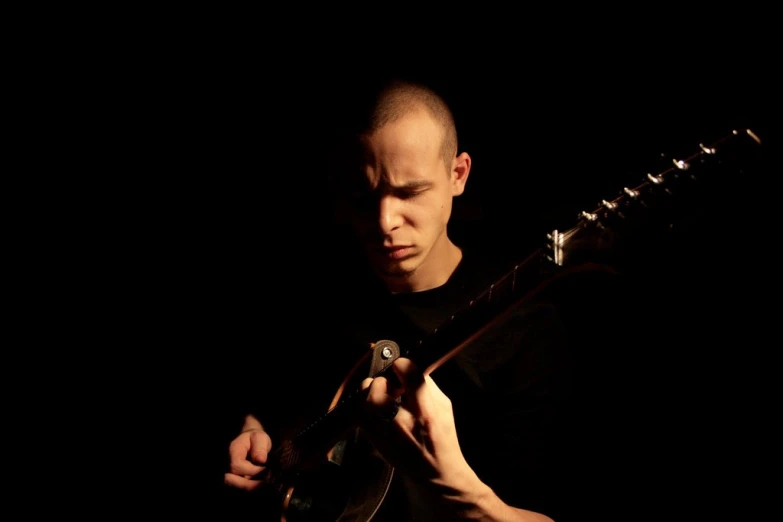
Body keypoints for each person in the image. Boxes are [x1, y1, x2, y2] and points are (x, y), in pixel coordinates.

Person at [221, 77, 627, 521]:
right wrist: (254, 429)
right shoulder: (316, 290)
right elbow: (269, 391)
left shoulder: (529, 334)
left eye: (410, 192)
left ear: (458, 175)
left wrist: (457, 491)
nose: (384, 222)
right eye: (364, 196)